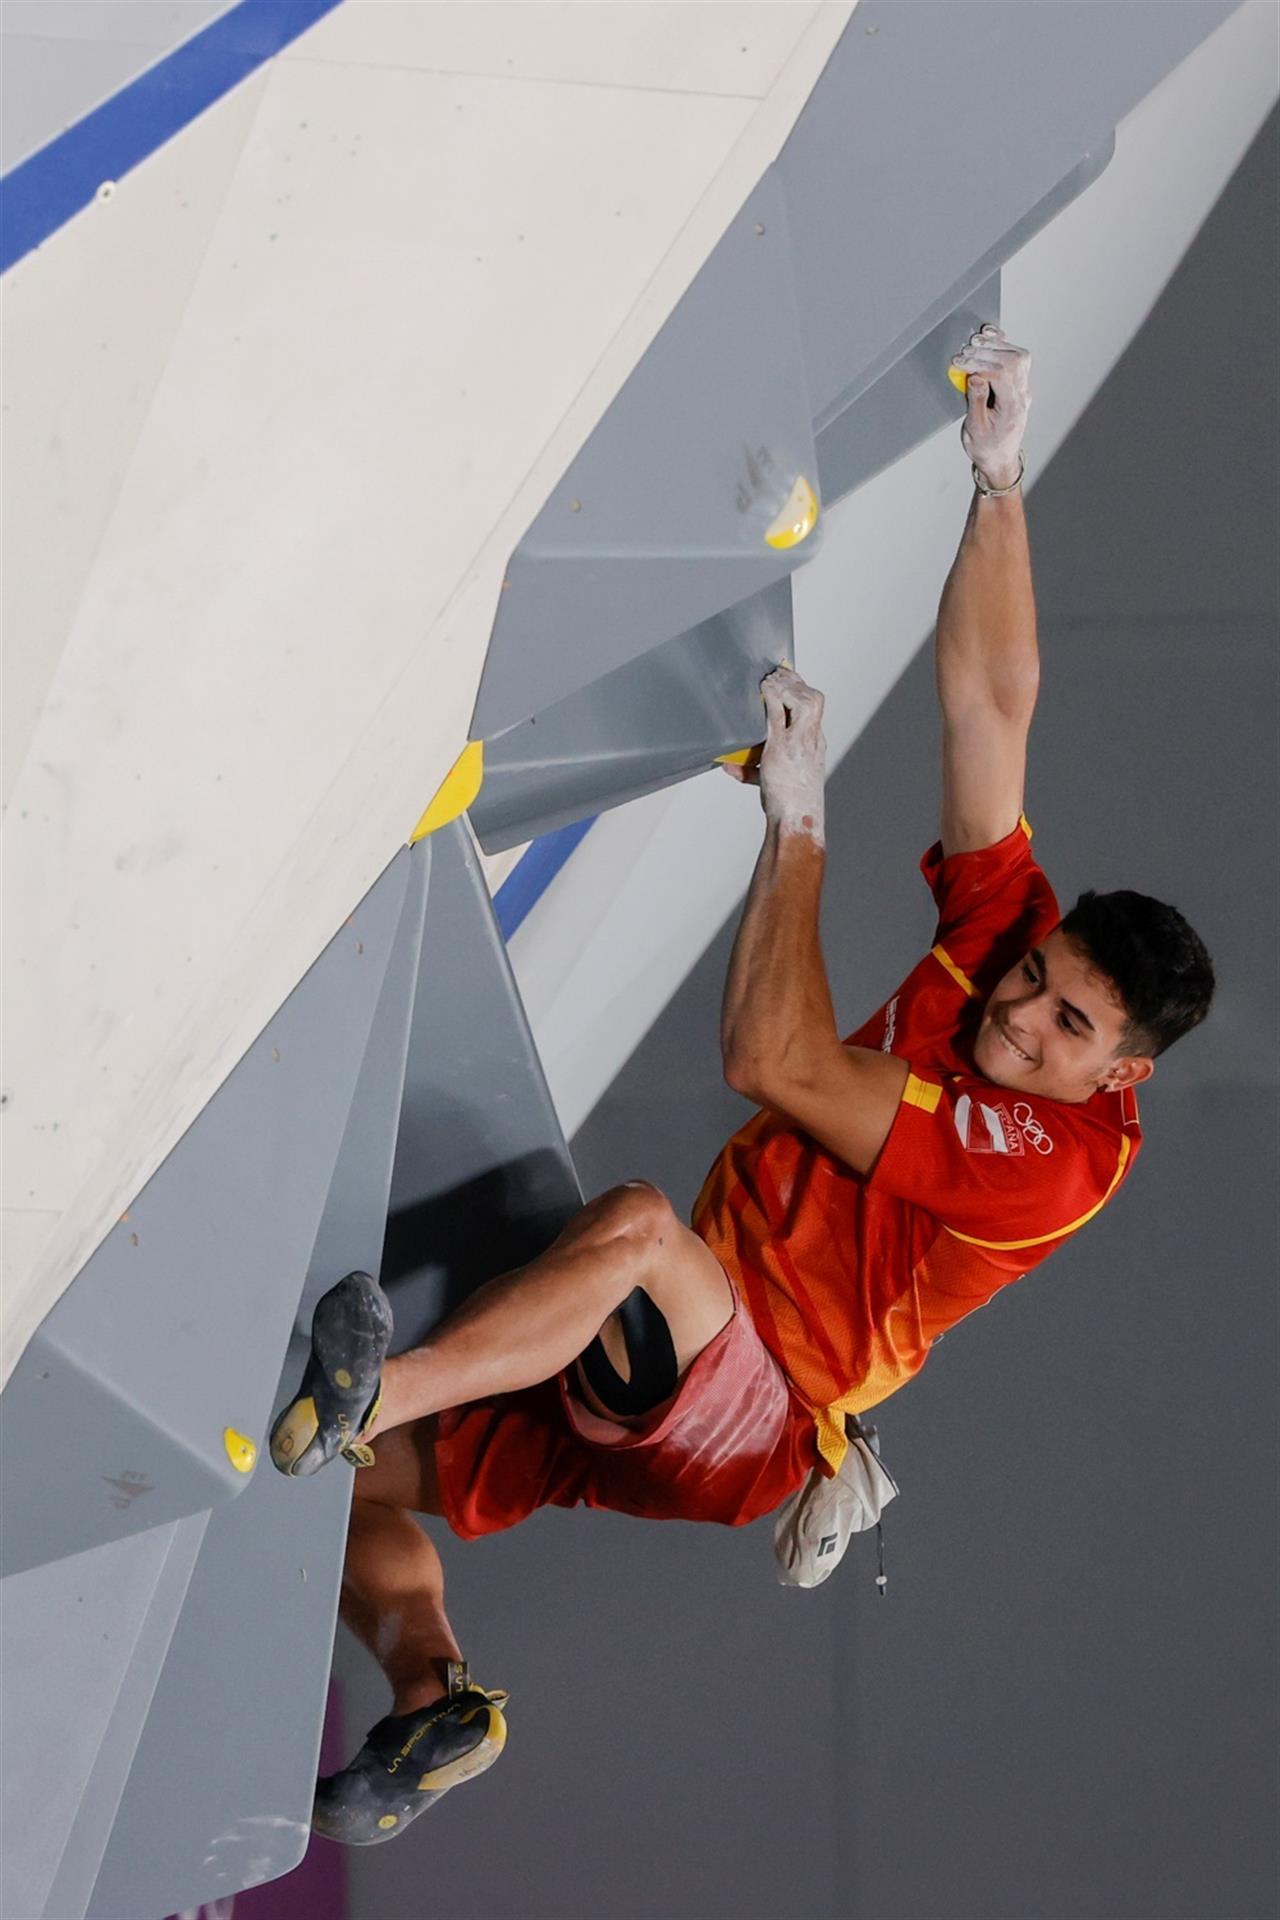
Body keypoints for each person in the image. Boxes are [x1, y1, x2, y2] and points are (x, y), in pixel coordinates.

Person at [269, 327, 1215, 1846]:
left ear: (1125, 1070)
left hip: (753, 1396)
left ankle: (376, 1383)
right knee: (340, 1492)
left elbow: (767, 1060)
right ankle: (432, 1692)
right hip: (660, 1364)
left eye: (1061, 1029)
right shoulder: (1009, 954)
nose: (1021, 1019)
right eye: (1035, 982)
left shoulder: (1044, 1162)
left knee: (636, 1226)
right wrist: (998, 479)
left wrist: (797, 829)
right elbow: (993, 712)